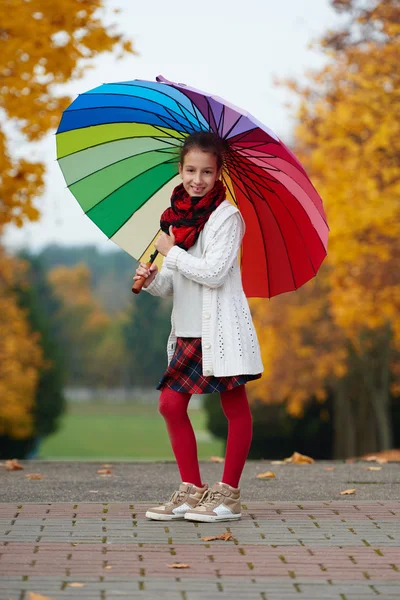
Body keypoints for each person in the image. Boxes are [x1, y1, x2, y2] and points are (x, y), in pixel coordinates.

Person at [133, 131, 263, 522]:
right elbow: (174, 284)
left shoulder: (227, 218)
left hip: (220, 330)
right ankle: (191, 490)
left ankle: (229, 496)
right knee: (170, 405)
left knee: (234, 407)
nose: (197, 179)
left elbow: (215, 273)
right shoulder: (176, 219)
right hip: (188, 329)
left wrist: (173, 252)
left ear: (219, 172)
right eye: (191, 170)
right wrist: (152, 275)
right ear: (180, 169)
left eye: (207, 171)